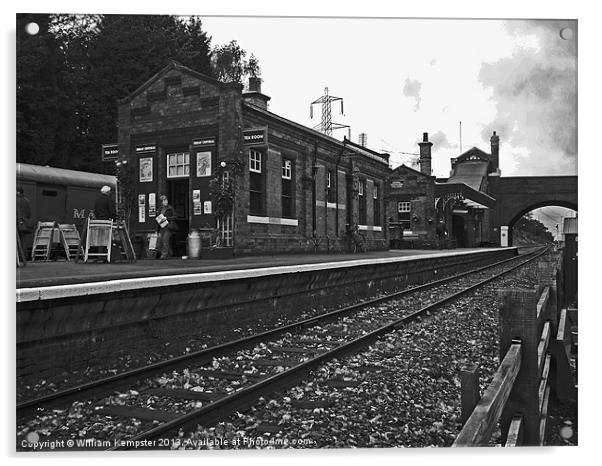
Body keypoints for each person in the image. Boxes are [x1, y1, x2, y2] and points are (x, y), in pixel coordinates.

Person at [156, 194, 178, 259]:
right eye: (164, 200)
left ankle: (164, 255)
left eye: (166, 200)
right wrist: (157, 230)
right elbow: (158, 219)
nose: (166, 202)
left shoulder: (170, 208)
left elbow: (175, 216)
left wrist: (167, 218)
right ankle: (170, 253)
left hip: (169, 227)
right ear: (161, 202)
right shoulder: (159, 209)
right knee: (161, 241)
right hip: (162, 227)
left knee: (165, 240)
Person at [17, 187, 32, 251]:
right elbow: (28, 214)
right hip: (24, 222)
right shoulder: (27, 200)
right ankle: (24, 256)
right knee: (23, 240)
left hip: (17, 222)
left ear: (17, 192)